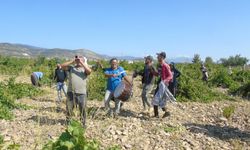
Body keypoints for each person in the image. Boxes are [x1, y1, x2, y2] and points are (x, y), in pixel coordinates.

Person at [61, 55, 92, 127]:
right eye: (77, 59)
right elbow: (62, 66)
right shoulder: (71, 68)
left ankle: (83, 124)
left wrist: (81, 62)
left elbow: (89, 71)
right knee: (69, 109)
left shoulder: (85, 69)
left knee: (83, 109)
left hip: (82, 93)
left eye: (80, 58)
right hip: (71, 92)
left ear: (84, 61)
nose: (78, 60)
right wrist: (72, 61)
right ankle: (68, 123)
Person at [152, 52, 176, 118]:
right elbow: (158, 74)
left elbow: (170, 75)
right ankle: (161, 113)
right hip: (161, 83)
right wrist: (153, 72)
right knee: (157, 98)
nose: (157, 57)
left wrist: (164, 81)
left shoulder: (166, 65)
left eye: (158, 56)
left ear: (162, 57)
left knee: (157, 98)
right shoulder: (160, 65)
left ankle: (159, 114)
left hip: (164, 84)